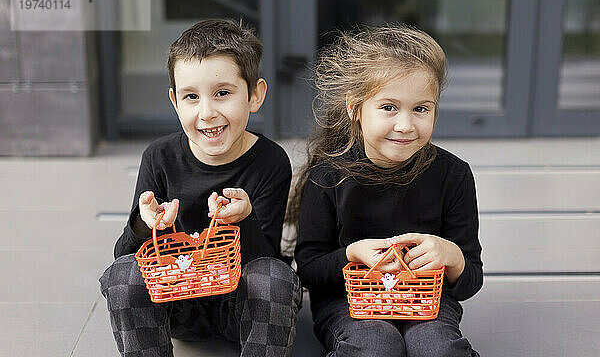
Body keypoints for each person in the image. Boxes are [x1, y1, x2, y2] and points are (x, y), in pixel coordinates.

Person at [99, 19, 302, 357]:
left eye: (222, 93)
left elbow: (267, 260)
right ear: (175, 101)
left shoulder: (270, 161)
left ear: (255, 95)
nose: (207, 112)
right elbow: (125, 254)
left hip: (239, 309)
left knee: (273, 278)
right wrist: (144, 223)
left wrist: (245, 219)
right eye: (191, 97)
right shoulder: (159, 157)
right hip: (174, 303)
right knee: (122, 275)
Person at [291, 25, 483, 357]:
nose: (406, 125)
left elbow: (470, 278)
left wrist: (450, 256)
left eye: (421, 109)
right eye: (389, 107)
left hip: (426, 299)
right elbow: (309, 268)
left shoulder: (453, 175)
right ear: (356, 107)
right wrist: (352, 255)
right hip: (348, 302)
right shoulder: (328, 176)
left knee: (437, 348)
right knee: (375, 345)